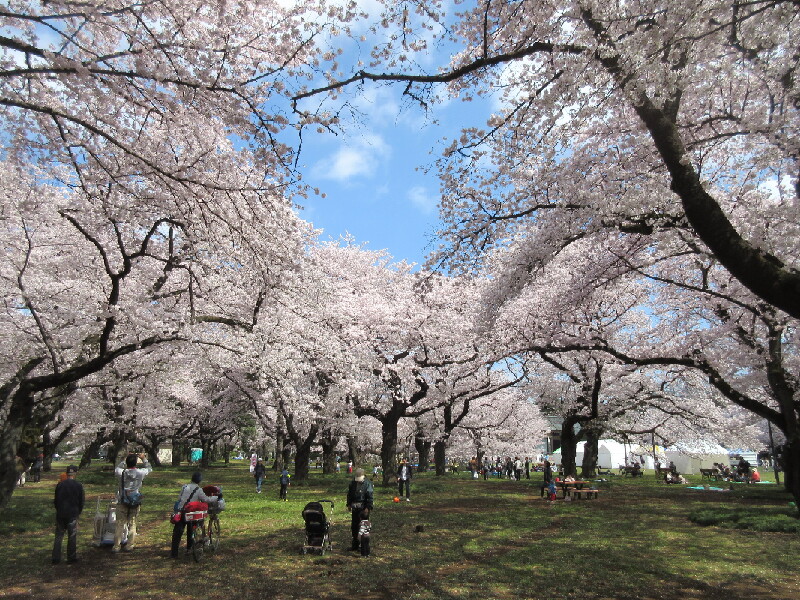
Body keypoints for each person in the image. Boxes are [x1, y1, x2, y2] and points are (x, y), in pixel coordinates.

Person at [170, 471, 220, 557]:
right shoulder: (199, 490)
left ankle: (174, 553)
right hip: (190, 513)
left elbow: (179, 498)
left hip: (181, 511)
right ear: (199, 481)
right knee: (191, 529)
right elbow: (206, 499)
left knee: (177, 533)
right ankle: (189, 548)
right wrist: (216, 497)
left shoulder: (184, 486)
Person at [112, 452, 151, 553]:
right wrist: (144, 459)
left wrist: (125, 459)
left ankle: (116, 546)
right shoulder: (140, 473)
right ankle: (130, 545)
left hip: (122, 501)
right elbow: (149, 469)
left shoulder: (121, 472)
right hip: (135, 501)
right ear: (135, 463)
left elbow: (117, 468)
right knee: (132, 523)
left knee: (120, 524)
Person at [52, 465, 84, 564]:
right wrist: (78, 512)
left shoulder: (60, 484)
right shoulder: (78, 485)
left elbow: (56, 500)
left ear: (66, 473)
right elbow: (81, 501)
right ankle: (71, 557)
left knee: (59, 536)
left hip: (61, 512)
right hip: (72, 513)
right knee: (72, 535)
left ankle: (56, 558)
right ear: (75, 473)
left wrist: (58, 509)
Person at [346, 468, 374, 552]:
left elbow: (370, 496)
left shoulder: (368, 484)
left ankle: (364, 546)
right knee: (354, 526)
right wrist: (349, 504)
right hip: (355, 507)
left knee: (363, 527)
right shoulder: (353, 483)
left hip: (363, 507)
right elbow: (349, 494)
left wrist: (367, 507)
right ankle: (355, 544)